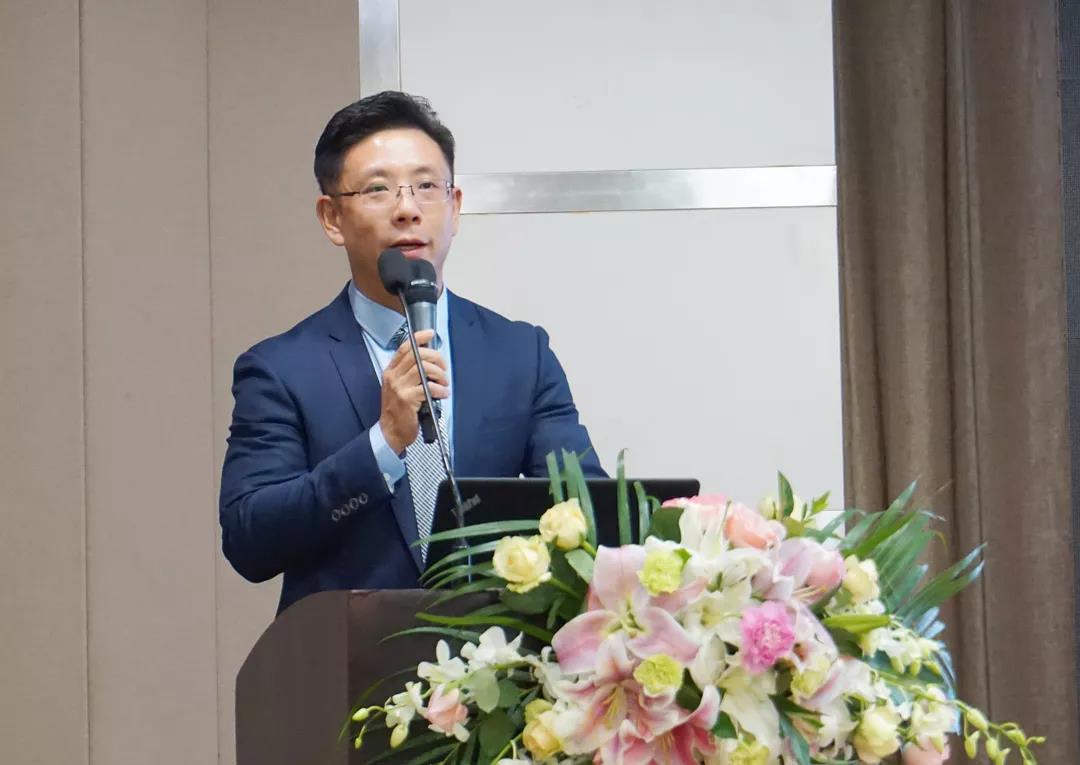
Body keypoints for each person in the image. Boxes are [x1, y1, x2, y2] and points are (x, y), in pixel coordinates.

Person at [219, 91, 603, 614]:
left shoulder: (520, 354)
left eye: (426, 186)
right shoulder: (281, 369)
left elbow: (586, 513)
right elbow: (250, 541)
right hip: (348, 658)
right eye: (378, 189)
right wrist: (382, 444)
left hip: (497, 656)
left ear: (455, 206)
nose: (407, 209)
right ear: (332, 218)